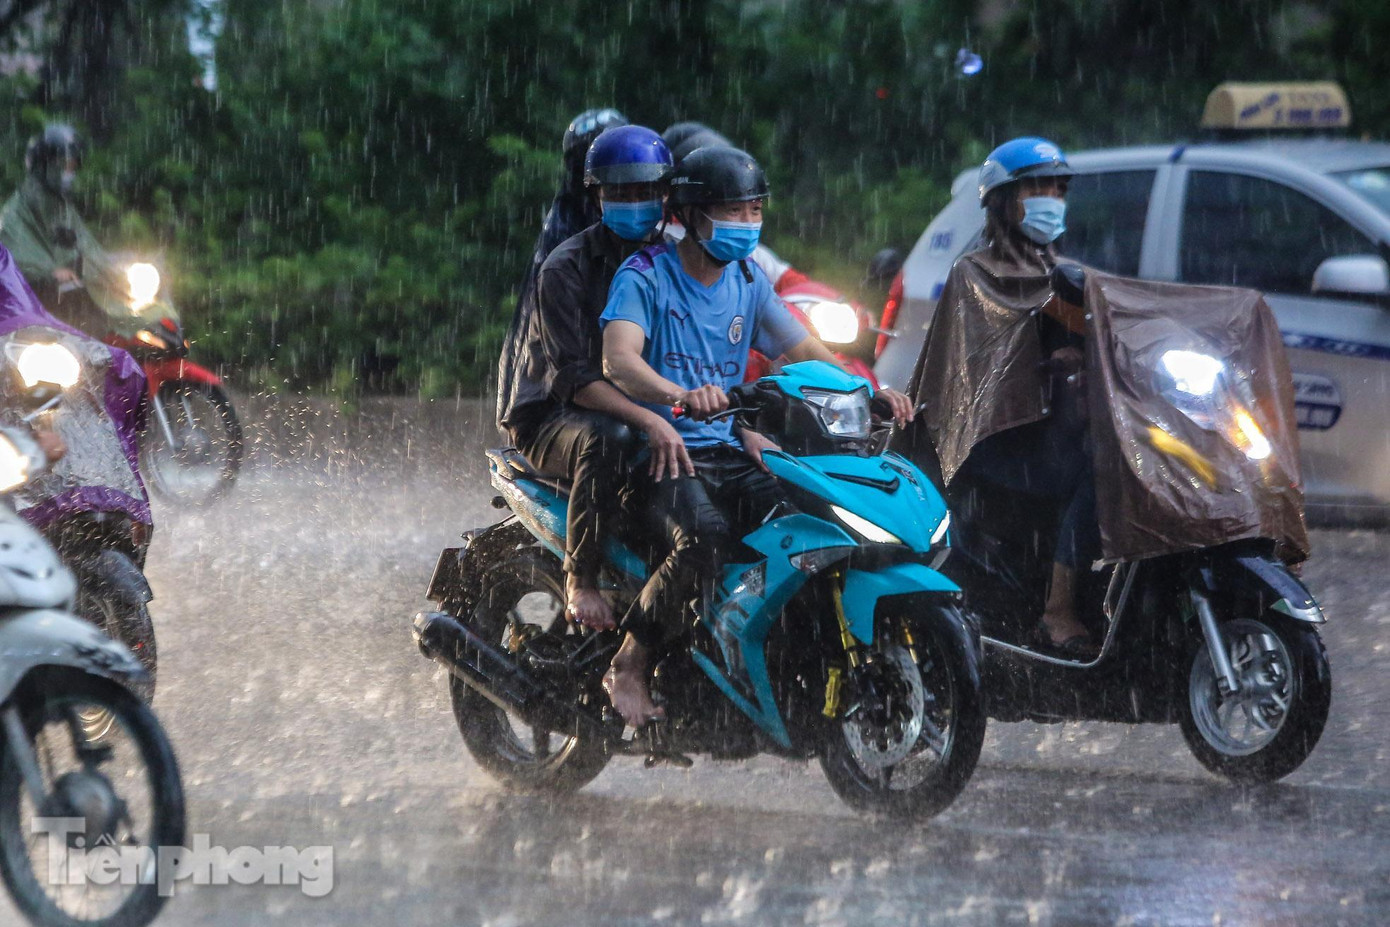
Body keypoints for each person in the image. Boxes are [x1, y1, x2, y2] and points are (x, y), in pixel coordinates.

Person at [599, 146, 912, 725]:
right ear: (691, 215)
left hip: (725, 446)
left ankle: (762, 655)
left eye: (753, 212)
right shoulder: (644, 275)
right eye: (730, 211)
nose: (745, 225)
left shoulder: (746, 280)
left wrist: (868, 390)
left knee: (810, 528)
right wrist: (677, 395)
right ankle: (629, 663)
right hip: (660, 451)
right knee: (705, 541)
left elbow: (804, 351)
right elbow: (618, 360)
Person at [904, 136, 1100, 656]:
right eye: (1037, 188)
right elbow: (978, 377)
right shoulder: (973, 276)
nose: (1050, 200)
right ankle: (1058, 611)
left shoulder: (1068, 274)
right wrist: (1040, 363)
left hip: (1057, 430)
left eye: (1058, 189)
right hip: (994, 442)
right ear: (1003, 201)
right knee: (1099, 471)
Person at [498, 124, 680, 631]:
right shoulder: (565, 267)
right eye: (620, 192)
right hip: (553, 415)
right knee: (609, 438)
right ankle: (582, 578)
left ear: (666, 194)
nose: (635, 202)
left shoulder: (677, 259)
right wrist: (649, 416)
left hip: (643, 404)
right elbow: (574, 380)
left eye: (646, 192)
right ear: (596, 194)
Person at [497, 107, 628, 441]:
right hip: (551, 399)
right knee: (610, 440)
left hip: (603, 386)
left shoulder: (642, 233)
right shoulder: (566, 247)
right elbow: (574, 367)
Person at [0, 124, 169, 339]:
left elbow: (88, 250)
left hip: (74, 300)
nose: (70, 172)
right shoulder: (19, 209)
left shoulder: (62, 207)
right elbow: (15, 255)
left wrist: (121, 267)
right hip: (37, 313)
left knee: (132, 325)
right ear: (47, 164)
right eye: (65, 166)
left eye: (72, 167)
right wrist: (49, 273)